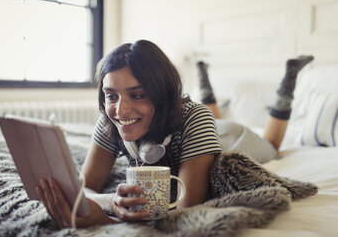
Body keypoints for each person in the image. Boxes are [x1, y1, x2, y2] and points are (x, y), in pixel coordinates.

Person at [35, 39, 313, 229]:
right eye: (110, 95)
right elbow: (85, 188)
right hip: (202, 123)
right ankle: (203, 75)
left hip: (234, 137)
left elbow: (185, 211)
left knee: (273, 145)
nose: (120, 109)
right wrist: (110, 202)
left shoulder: (197, 119)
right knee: (209, 113)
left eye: (138, 94)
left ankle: (288, 80)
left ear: (163, 94)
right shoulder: (112, 118)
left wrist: (107, 221)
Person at [197, 55, 313, 163]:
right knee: (213, 128)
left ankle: (202, 78)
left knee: (272, 146)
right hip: (228, 132)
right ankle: (290, 75)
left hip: (221, 134)